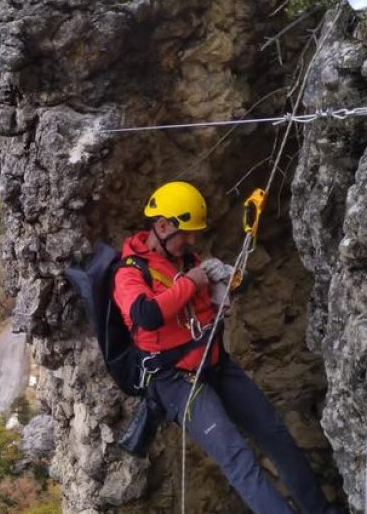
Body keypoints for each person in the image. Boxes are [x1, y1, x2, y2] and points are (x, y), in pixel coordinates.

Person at [113, 181, 335, 514]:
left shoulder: (185, 258)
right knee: (238, 459)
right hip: (175, 381)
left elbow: (206, 299)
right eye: (185, 233)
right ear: (161, 226)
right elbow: (146, 315)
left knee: (274, 432)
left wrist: (226, 283)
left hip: (214, 363)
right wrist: (193, 283)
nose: (192, 240)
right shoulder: (130, 273)